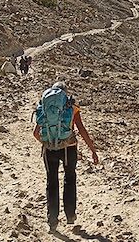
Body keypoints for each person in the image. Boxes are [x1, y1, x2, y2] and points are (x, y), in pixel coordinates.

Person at [33, 81, 99, 231]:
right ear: (65, 93)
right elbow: (81, 129)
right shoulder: (72, 107)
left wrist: (48, 142)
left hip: (49, 149)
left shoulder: (44, 107)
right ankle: (70, 215)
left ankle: (52, 221)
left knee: (52, 182)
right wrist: (92, 149)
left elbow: (36, 133)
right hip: (69, 148)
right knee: (70, 178)